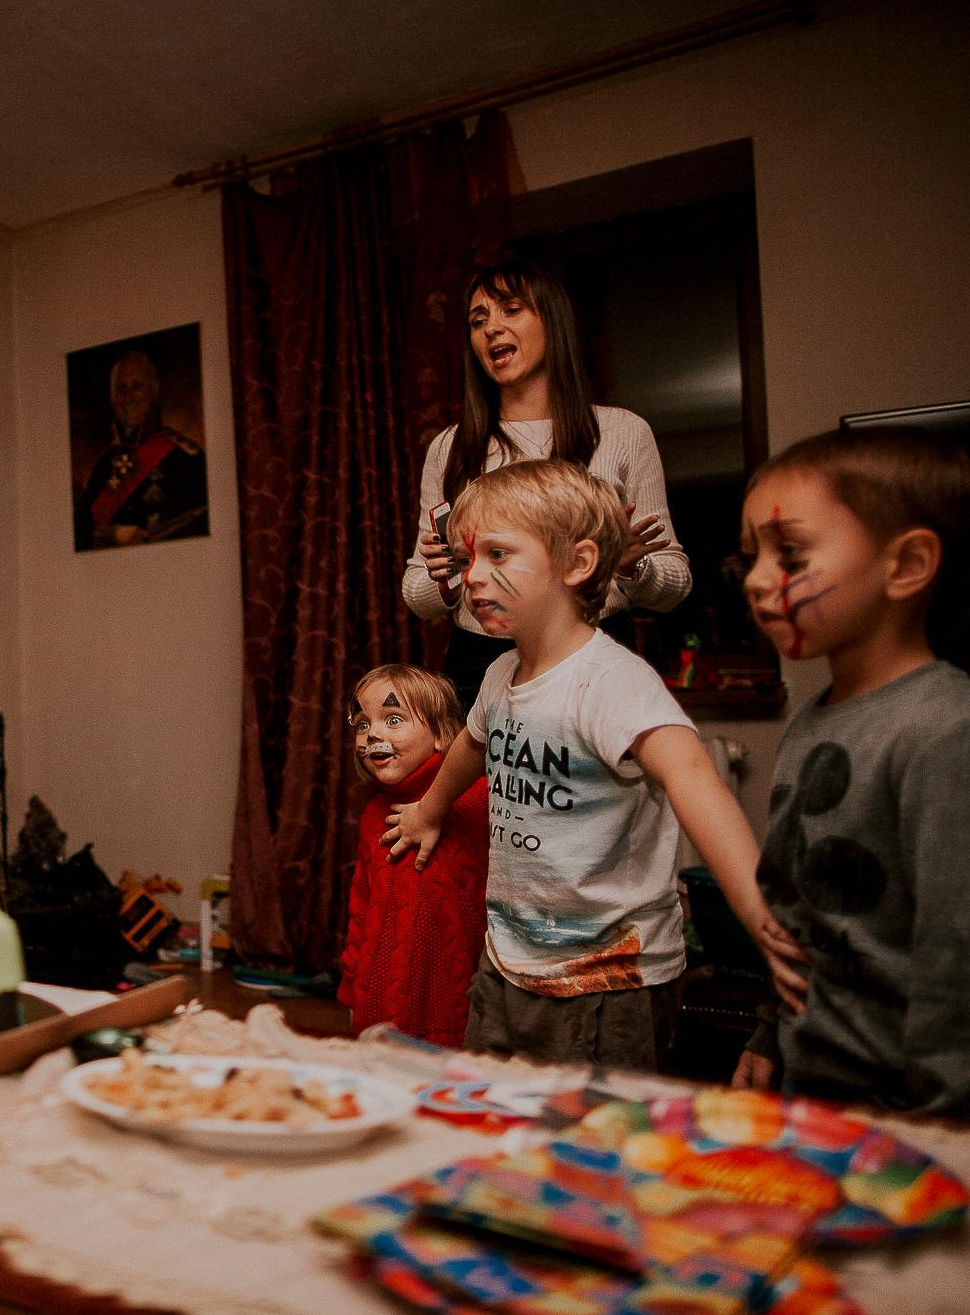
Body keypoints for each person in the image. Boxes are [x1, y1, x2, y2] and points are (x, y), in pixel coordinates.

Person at [384, 460, 803, 1071]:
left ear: (576, 565)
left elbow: (693, 778)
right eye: (468, 559)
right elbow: (475, 743)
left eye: (497, 554)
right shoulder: (500, 675)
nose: (473, 577)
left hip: (610, 985)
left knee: (592, 1149)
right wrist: (429, 810)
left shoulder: (612, 681)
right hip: (507, 965)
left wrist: (761, 919)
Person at [730, 428, 970, 1117]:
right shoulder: (809, 722)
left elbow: (953, 951)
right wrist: (769, 1034)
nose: (754, 578)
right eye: (753, 557)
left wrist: (945, 1124)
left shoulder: (943, 727)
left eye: (790, 554)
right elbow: (797, 912)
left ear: (908, 565)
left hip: (908, 1102)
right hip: (812, 1086)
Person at [402, 261, 691, 711]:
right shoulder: (450, 447)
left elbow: (674, 585)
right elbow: (417, 592)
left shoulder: (623, 433)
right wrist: (443, 581)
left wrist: (633, 568)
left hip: (591, 655)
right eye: (478, 321)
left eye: (511, 310)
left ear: (551, 323)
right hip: (479, 663)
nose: (491, 329)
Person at [338, 664, 488, 1046]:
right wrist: (353, 991)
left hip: (450, 1013)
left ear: (441, 734)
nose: (373, 734)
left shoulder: (476, 799)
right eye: (362, 724)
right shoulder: (375, 813)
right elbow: (362, 904)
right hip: (378, 1008)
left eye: (393, 719)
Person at [73, 348, 209, 549]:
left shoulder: (188, 459)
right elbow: (79, 536)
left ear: (154, 390)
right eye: (121, 389)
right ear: (113, 398)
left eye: (137, 386)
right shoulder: (102, 467)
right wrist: (113, 535)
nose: (128, 397)